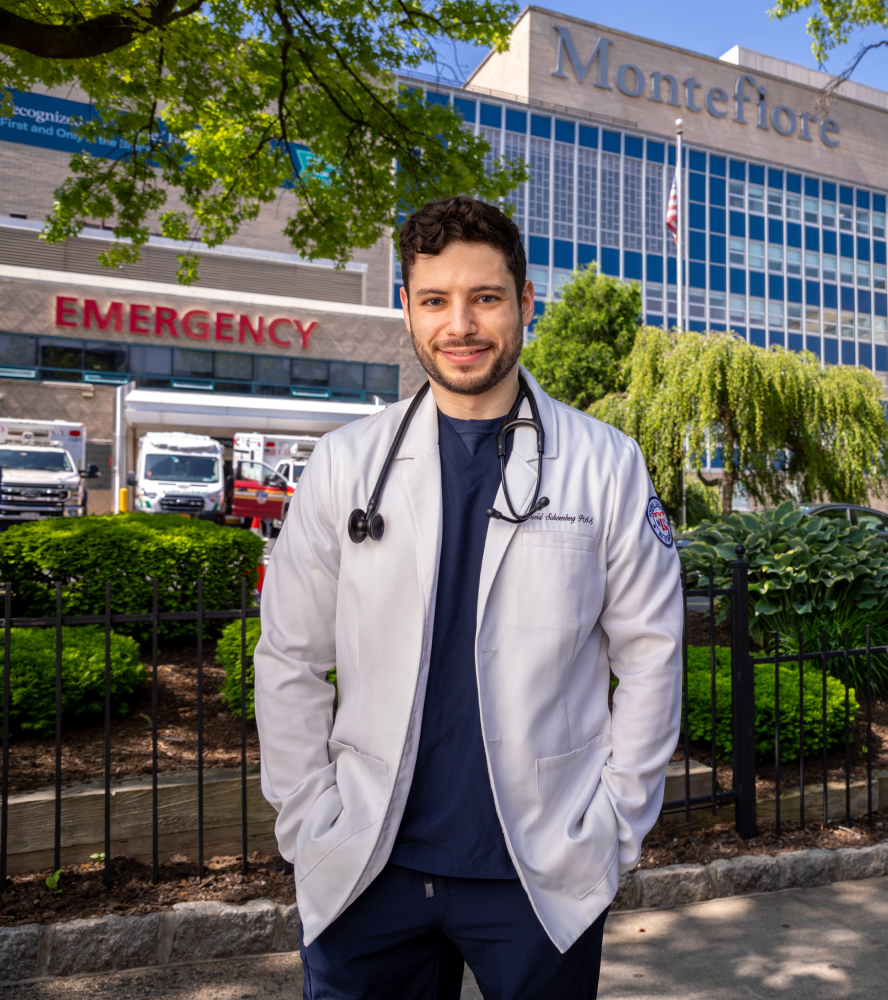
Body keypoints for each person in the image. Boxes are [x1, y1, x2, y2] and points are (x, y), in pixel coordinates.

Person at [255, 196, 683, 999]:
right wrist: (307, 822)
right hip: (366, 867)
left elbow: (653, 657)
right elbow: (289, 659)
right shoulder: (346, 463)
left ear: (525, 303)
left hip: (538, 871)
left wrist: (613, 830)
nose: (461, 325)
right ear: (408, 310)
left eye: (485, 298)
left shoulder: (605, 463)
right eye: (435, 300)